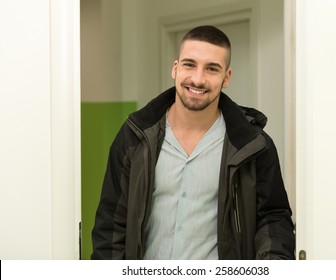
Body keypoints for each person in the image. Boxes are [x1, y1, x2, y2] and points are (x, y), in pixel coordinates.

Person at [91, 25, 295, 260]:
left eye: (211, 69)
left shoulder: (253, 146)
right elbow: (111, 224)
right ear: (175, 69)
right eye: (189, 64)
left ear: (226, 77)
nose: (198, 79)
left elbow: (274, 219)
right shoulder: (134, 136)